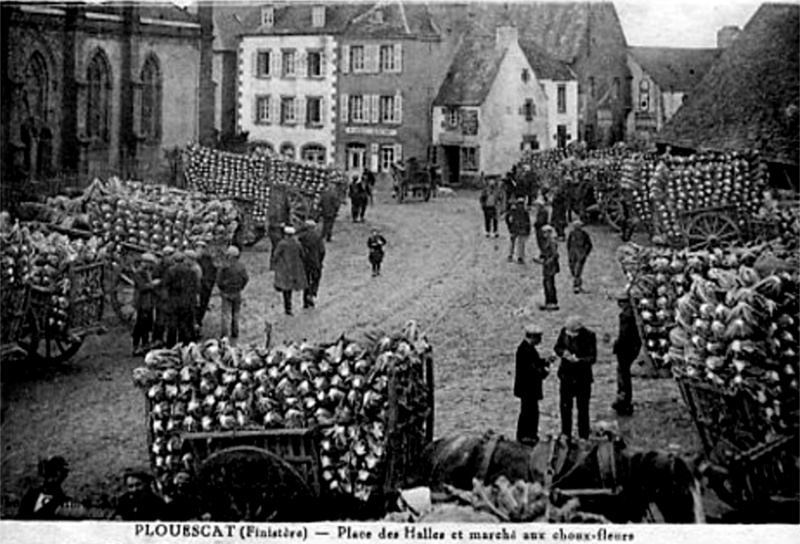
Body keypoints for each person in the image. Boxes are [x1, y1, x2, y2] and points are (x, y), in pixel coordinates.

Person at [554, 316, 597, 439]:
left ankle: (583, 435)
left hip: (582, 378)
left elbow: (592, 357)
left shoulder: (589, 336)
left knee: (583, 409)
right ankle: (565, 433)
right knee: (565, 408)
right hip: (566, 376)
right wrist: (564, 353)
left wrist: (579, 360)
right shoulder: (563, 332)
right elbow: (557, 347)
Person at [514, 325, 550, 444]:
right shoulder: (527, 350)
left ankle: (526, 435)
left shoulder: (525, 348)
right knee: (530, 412)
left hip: (526, 388)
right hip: (528, 388)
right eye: (539, 337)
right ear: (533, 337)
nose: (540, 340)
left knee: (528, 411)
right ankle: (527, 435)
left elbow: (533, 364)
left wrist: (545, 361)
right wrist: (544, 372)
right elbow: (532, 370)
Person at [612, 290, 642, 416]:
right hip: (633, 347)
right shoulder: (633, 313)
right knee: (623, 373)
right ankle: (623, 399)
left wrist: (617, 345)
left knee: (623, 374)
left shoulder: (626, 316)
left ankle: (624, 401)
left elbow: (624, 335)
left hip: (626, 348)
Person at [163, 251, 199, 346]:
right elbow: (195, 287)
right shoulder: (191, 271)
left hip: (173, 301)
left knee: (172, 326)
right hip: (186, 301)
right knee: (185, 325)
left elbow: (166, 286)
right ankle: (184, 344)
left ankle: (171, 345)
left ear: (174, 260)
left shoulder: (170, 271)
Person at [273, 225, 307, 316]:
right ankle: (291, 306)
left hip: (284, 268)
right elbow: (302, 254)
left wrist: (275, 263)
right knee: (291, 287)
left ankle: (288, 307)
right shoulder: (297, 243)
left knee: (285, 288)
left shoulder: (282, 244)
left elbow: (275, 255)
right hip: (295, 268)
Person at [216, 246, 249, 339]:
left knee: (225, 314)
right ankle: (235, 332)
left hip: (226, 292)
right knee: (236, 313)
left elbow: (219, 280)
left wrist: (222, 288)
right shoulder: (241, 266)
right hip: (237, 292)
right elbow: (246, 278)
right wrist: (241, 287)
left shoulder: (224, 266)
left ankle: (224, 334)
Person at [132, 253, 159, 356]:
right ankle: (136, 347)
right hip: (142, 302)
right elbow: (142, 287)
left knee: (147, 325)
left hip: (148, 302)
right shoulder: (138, 273)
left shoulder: (146, 272)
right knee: (140, 325)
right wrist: (153, 284)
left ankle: (145, 345)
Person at [298, 219, 326, 309]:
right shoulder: (318, 237)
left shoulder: (301, 237)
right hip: (315, 262)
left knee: (306, 280)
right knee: (316, 278)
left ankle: (305, 301)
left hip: (304, 263)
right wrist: (320, 261)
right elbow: (322, 250)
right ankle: (312, 293)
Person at [151, 246, 175, 348]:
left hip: (171, 296)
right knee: (160, 319)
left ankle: (169, 341)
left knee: (170, 320)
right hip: (161, 296)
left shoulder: (173, 266)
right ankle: (157, 339)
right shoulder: (158, 267)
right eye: (168, 255)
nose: (170, 258)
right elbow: (155, 281)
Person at [567, 220, 593, 294]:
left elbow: (589, 245)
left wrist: (585, 253)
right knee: (573, 269)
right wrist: (570, 253)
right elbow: (568, 245)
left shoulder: (584, 235)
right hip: (572, 255)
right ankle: (577, 284)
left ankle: (577, 286)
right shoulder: (571, 234)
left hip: (580, 255)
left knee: (577, 271)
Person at [196, 241, 217, 329]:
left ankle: (198, 323)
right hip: (197, 288)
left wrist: (206, 285)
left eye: (200, 248)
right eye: (197, 247)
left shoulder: (208, 261)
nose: (198, 250)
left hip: (204, 288)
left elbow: (211, 276)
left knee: (202, 306)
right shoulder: (195, 260)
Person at [539, 226, 560, 311]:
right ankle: (548, 301)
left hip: (551, 266)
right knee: (547, 283)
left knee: (549, 284)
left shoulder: (551, 242)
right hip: (546, 265)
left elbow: (555, 255)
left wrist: (548, 261)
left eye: (545, 232)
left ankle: (552, 302)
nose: (544, 234)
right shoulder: (547, 241)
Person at [506, 197, 531, 264]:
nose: (521, 205)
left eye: (522, 204)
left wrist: (527, 230)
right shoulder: (514, 211)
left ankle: (520, 257)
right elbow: (507, 218)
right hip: (514, 228)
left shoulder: (525, 212)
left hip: (521, 229)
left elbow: (528, 221)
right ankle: (510, 255)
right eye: (519, 204)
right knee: (512, 242)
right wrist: (510, 227)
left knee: (521, 243)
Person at [533, 194, 550, 263]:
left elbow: (541, 221)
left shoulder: (543, 211)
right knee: (540, 242)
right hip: (540, 228)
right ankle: (542, 254)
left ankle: (545, 257)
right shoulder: (542, 211)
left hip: (541, 229)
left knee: (542, 242)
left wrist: (536, 224)